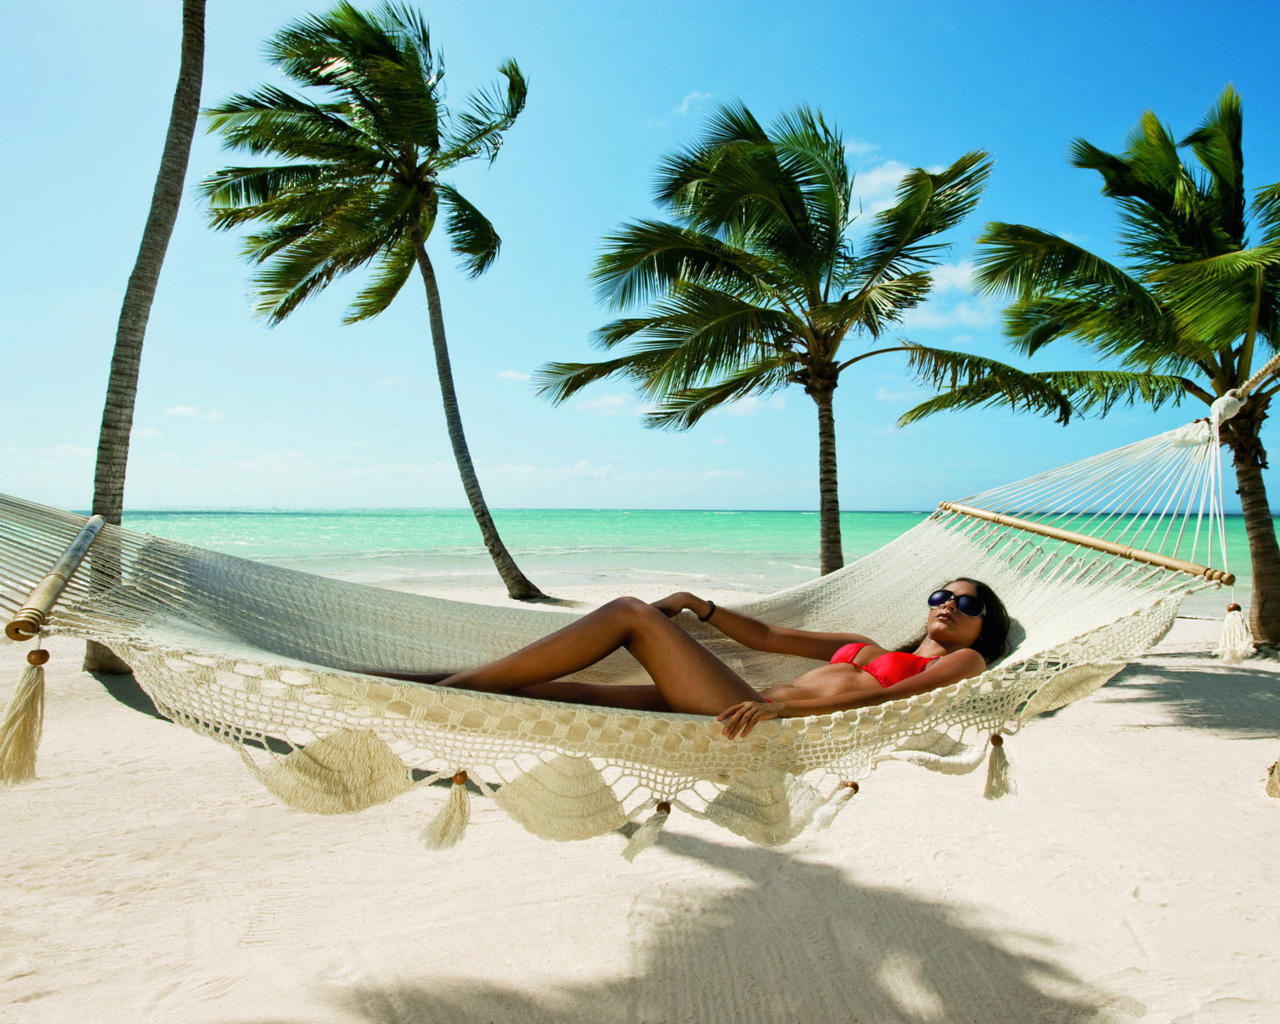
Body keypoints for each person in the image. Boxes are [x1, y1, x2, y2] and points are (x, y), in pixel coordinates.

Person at [410, 577, 1009, 740]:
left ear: (986, 627)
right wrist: (703, 606)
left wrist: (779, 717)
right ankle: (405, 684)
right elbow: (768, 637)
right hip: (743, 706)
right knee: (556, 693)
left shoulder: (960, 665)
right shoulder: (867, 643)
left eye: (966, 604)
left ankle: (441, 690)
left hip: (755, 719)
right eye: (940, 596)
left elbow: (885, 699)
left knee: (627, 613)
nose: (948, 606)